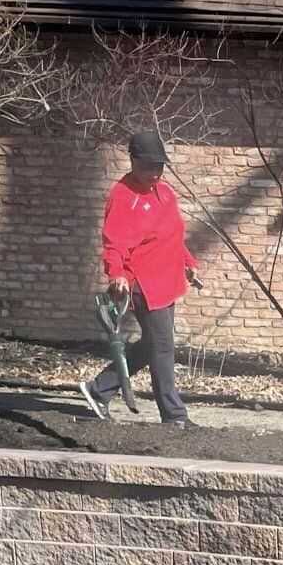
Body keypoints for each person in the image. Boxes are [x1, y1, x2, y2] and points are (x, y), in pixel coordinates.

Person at [78, 130, 201, 425]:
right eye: (147, 167)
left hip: (168, 281)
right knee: (162, 347)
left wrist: (189, 262)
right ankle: (174, 415)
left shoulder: (165, 192)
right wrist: (117, 273)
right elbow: (113, 242)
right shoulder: (123, 196)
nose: (154, 174)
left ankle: (98, 389)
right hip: (143, 283)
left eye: (158, 167)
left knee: (152, 345)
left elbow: (173, 235)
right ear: (132, 160)